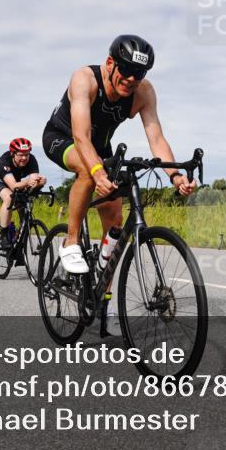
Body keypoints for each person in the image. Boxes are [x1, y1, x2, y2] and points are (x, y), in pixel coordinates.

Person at [42, 35, 198, 275]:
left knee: (115, 221)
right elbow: (81, 136)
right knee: (87, 168)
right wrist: (97, 172)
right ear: (110, 62)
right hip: (63, 137)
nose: (131, 79)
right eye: (126, 69)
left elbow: (156, 139)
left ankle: (102, 295)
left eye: (140, 73)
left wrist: (175, 176)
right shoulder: (85, 79)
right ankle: (71, 242)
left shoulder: (143, 92)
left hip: (101, 147)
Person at [0, 137, 47, 249]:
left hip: (16, 182)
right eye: (20, 155)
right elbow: (14, 186)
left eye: (27, 154)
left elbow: (33, 182)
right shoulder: (4, 161)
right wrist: (27, 182)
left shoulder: (32, 160)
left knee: (24, 204)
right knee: (9, 197)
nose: (24, 158)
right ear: (12, 153)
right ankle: (3, 236)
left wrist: (39, 183)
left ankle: (18, 241)